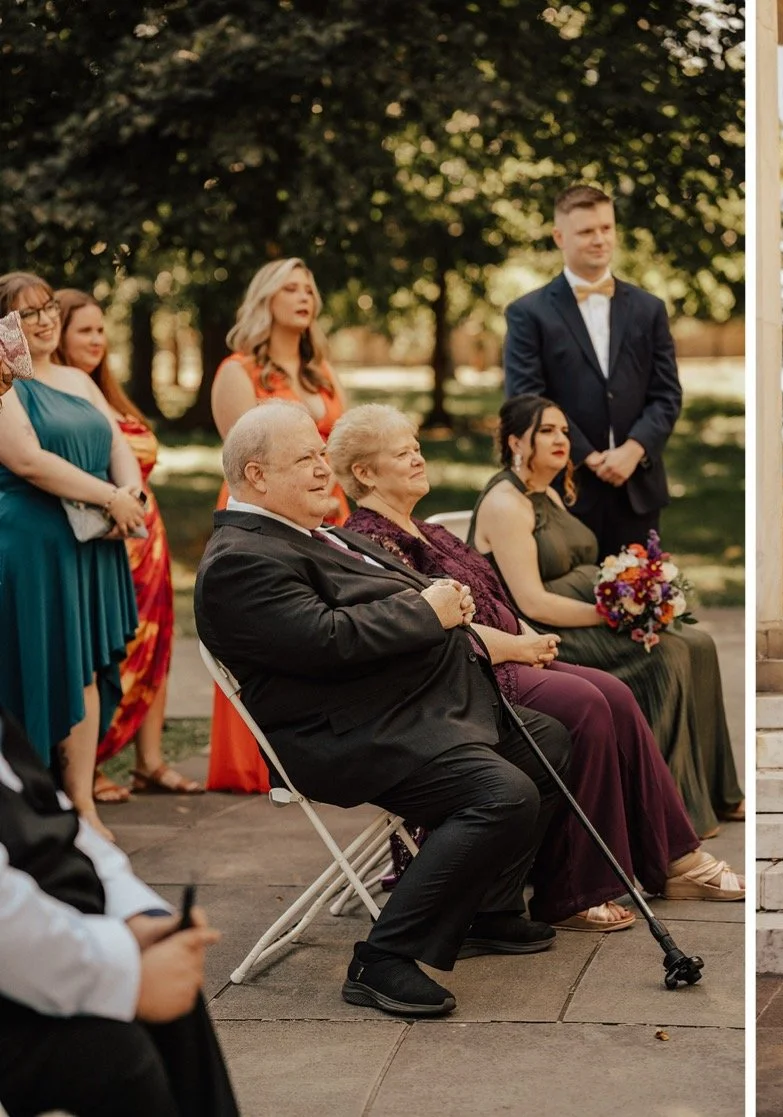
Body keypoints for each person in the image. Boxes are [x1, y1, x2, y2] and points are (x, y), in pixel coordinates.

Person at [196, 402, 570, 1017]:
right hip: (340, 735)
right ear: (257, 476)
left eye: (322, 455)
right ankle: (383, 958)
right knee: (503, 793)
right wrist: (427, 613)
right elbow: (327, 640)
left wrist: (434, 598)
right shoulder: (240, 559)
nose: (324, 469)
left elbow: (366, 609)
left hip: (400, 710)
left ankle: (487, 911)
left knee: (546, 743)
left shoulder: (304, 534)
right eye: (307, 460)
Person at [327, 404, 743, 930]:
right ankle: (571, 892)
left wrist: (528, 637)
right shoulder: (370, 545)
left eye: (416, 447)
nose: (418, 458)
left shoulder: (431, 530)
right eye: (402, 452)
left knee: (615, 693)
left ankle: (676, 860)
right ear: (364, 473)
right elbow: (428, 629)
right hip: (463, 680)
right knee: (588, 705)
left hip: (509, 655)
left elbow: (496, 594)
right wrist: (515, 647)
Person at [470, 395, 743, 838]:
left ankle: (713, 794)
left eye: (563, 430)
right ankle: (666, 813)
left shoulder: (549, 492)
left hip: (586, 616)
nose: (562, 439)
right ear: (517, 441)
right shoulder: (506, 503)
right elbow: (532, 602)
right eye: (547, 431)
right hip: (544, 632)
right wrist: (612, 617)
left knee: (699, 643)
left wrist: (636, 594)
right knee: (667, 655)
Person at [0, 707, 239, 1117]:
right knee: (111, 1055)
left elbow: (63, 821)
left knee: (178, 997)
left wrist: (139, 919)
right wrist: (127, 975)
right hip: (18, 976)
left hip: (56, 934)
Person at [0, 273, 145, 841]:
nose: (42, 320)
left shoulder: (79, 378)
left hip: (92, 543)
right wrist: (110, 497)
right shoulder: (5, 383)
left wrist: (129, 494)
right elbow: (28, 460)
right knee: (35, 661)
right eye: (24, 313)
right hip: (34, 545)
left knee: (84, 666)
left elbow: (117, 447)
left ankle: (81, 802)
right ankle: (30, 800)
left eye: (47, 309)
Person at [207, 258, 350, 795]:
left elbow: (341, 445)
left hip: (327, 508)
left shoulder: (322, 373)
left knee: (321, 627)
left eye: (309, 288)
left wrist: (333, 500)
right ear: (265, 298)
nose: (303, 296)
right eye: (289, 287)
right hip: (264, 519)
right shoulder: (237, 371)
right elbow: (241, 462)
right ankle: (254, 758)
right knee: (271, 626)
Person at [56, 289, 201, 802]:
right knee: (110, 653)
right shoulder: (56, 397)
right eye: (84, 331)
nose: (96, 340)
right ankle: (88, 764)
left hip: (148, 540)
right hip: (107, 536)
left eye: (101, 330)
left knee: (156, 646)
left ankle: (150, 762)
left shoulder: (108, 394)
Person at [503, 184, 682, 560]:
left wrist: (633, 450)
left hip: (638, 487)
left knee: (640, 606)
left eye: (606, 228)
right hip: (565, 488)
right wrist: (588, 457)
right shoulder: (528, 313)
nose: (599, 239)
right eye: (586, 231)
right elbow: (526, 400)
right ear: (559, 237)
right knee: (572, 605)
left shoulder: (649, 309)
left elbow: (667, 394)